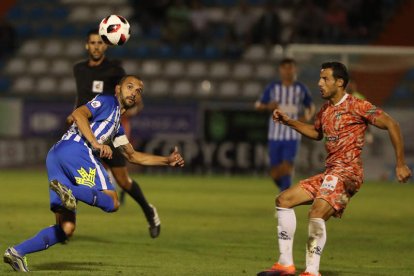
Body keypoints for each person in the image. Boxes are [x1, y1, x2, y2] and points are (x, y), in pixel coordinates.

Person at [4, 75, 185, 272]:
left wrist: (166, 160)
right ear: (117, 89)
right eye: (129, 86)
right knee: (113, 201)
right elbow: (78, 114)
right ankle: (71, 191)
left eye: (138, 90)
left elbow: (133, 156)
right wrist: (95, 143)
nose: (134, 92)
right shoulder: (108, 101)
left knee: (66, 229)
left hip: (56, 157)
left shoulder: (117, 125)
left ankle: (17, 252)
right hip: (77, 150)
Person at [257, 62, 412, 276]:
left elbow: (391, 124)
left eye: (325, 79)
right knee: (283, 200)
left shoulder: (358, 105)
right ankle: (285, 264)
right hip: (330, 172)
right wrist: (289, 121)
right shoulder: (326, 109)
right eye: (320, 79)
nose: (320, 83)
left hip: (348, 173)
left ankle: (312, 271)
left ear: (340, 82)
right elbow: (316, 132)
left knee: (317, 211)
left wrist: (400, 163)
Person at [72, 29, 161, 239]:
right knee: (72, 175)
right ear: (87, 46)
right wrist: (74, 113)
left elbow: (131, 93)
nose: (96, 46)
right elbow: (81, 97)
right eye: (92, 43)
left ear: (106, 45)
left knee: (123, 181)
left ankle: (149, 211)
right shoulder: (79, 69)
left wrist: (129, 108)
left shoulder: (114, 70)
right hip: (85, 133)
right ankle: (66, 225)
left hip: (108, 133)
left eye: (99, 43)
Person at [255, 58, 315, 191]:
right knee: (275, 172)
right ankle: (284, 194)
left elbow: (310, 106)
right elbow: (258, 105)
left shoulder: (301, 88)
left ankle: (284, 204)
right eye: (285, 68)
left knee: (287, 166)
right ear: (280, 70)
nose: (288, 71)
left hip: (292, 134)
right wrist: (267, 106)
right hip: (274, 134)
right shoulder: (272, 88)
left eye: (291, 68)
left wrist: (307, 116)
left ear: (296, 70)